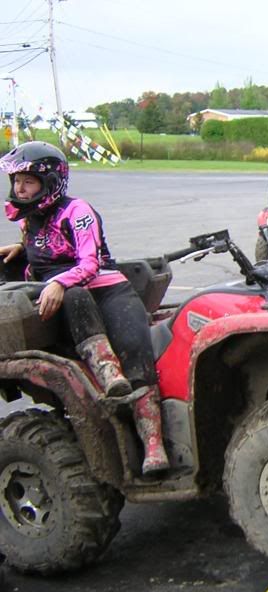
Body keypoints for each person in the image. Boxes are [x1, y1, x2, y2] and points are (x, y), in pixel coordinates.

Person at [0, 141, 169, 475]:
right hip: (70, 300)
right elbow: (41, 250)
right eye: (16, 181)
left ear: (50, 183)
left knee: (137, 353)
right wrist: (20, 250)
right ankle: (105, 373)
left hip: (108, 291)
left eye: (28, 181)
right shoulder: (28, 220)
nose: (20, 188)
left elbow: (89, 263)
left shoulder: (77, 212)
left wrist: (59, 282)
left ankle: (153, 444)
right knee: (74, 295)